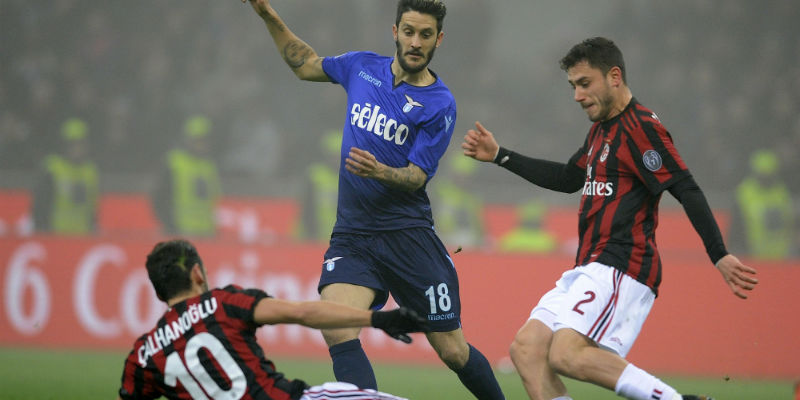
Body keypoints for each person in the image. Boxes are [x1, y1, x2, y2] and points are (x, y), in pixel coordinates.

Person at [461, 37, 758, 400]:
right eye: (573, 86)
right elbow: (568, 179)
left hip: (622, 262)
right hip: (588, 264)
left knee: (565, 354)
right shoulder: (601, 130)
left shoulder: (641, 128)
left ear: (614, 76)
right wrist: (500, 156)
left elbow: (686, 188)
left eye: (584, 84)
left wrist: (718, 253)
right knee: (527, 349)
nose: (577, 95)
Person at [245, 1, 505, 398]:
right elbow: (305, 64)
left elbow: (418, 177)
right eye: (409, 31)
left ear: (439, 39)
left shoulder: (439, 103)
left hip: (408, 238)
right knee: (336, 325)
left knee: (453, 352)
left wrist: (379, 171)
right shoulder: (361, 67)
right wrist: (268, 16)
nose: (415, 42)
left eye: (425, 35)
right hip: (353, 235)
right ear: (395, 30)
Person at [118, 239, 429, 400]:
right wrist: (378, 320)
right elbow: (304, 312)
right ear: (197, 273)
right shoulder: (223, 304)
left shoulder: (142, 356)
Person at [152, 115, 223, 237]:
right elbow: (159, 197)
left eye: (205, 140)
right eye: (198, 140)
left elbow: (214, 199)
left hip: (206, 232)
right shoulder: (174, 163)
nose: (202, 145)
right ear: (188, 140)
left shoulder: (209, 166)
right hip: (180, 230)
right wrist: (170, 225)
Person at [32, 117, 99, 235]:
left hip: (83, 234)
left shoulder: (90, 171)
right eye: (73, 144)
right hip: (56, 233)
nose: (77, 148)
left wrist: (93, 227)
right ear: (65, 145)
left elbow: (93, 205)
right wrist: (42, 229)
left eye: (81, 143)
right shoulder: (53, 167)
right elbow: (41, 202)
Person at [730, 149, 795, 260]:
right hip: (752, 255)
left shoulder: (781, 192)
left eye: (769, 176)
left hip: (781, 257)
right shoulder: (744, 192)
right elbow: (736, 225)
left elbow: (789, 221)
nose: (766, 180)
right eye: (762, 176)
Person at [295, 130, 341, 243]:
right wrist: (310, 233)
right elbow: (307, 207)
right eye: (333, 155)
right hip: (314, 237)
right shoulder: (315, 175)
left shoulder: (355, 178)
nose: (337, 159)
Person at [432, 155, 485, 249]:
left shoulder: (472, 197)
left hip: (468, 242)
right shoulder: (439, 191)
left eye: (468, 176)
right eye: (461, 175)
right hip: (442, 239)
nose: (464, 179)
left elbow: (479, 226)